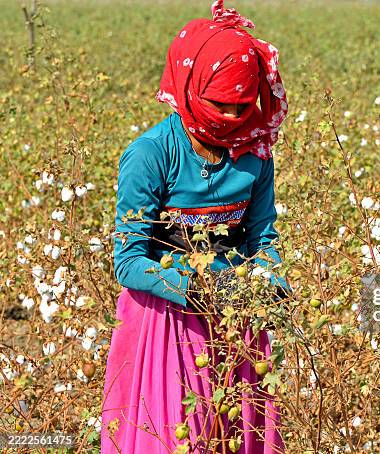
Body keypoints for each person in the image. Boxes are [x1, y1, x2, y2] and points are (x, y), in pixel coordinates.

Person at [101, 2, 290, 452]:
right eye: (218, 105)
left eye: (240, 107)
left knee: (233, 437)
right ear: (189, 88)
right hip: (165, 322)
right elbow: (128, 261)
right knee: (174, 436)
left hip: (236, 323)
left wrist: (271, 281)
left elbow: (263, 237)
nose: (229, 117)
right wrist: (198, 288)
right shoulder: (151, 155)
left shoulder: (256, 155)